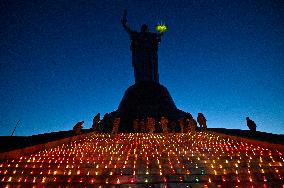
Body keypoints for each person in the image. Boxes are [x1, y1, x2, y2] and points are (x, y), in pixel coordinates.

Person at [121, 9, 164, 83]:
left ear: (147, 29)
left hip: (150, 55)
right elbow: (128, 29)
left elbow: (159, 36)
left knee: (151, 68)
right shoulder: (137, 35)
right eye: (143, 28)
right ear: (141, 29)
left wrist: (161, 30)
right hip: (139, 55)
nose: (144, 29)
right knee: (140, 68)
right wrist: (124, 21)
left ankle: (152, 82)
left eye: (146, 28)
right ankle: (140, 81)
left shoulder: (151, 35)